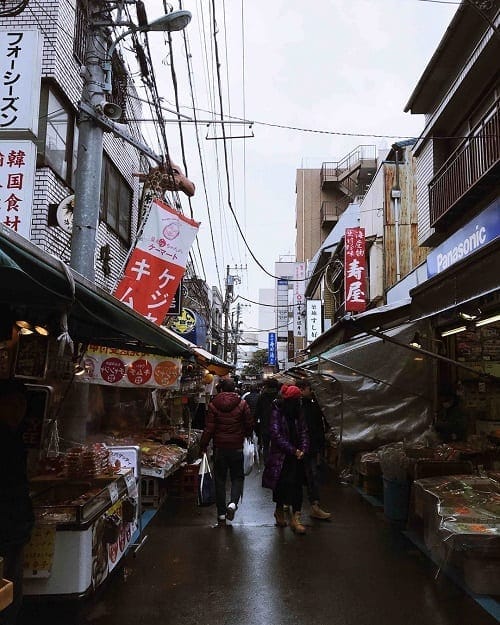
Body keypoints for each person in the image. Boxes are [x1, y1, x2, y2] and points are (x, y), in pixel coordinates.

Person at [0, 381, 34, 625]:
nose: (18, 409)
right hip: (7, 526)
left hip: (17, 526)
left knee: (13, 589)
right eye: (12, 403)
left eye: (22, 403)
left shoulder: (16, 436)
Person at [200, 378, 254, 526]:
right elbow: (249, 423)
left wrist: (203, 445)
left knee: (220, 480)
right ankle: (233, 504)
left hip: (220, 449)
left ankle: (221, 514)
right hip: (236, 447)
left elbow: (209, 428)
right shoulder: (242, 404)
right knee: (237, 477)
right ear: (234, 389)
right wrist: (246, 435)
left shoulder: (213, 405)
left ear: (221, 389)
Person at [262, 384, 309, 534]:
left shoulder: (299, 411)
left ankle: (296, 519)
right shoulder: (277, 411)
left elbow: (304, 430)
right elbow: (276, 435)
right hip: (281, 456)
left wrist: (303, 449)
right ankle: (279, 511)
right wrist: (293, 450)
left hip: (297, 455)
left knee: (297, 486)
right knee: (281, 485)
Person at [295, 379, 331, 520]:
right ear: (303, 389)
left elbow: (318, 427)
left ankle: (314, 507)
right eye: (310, 389)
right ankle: (292, 510)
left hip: (306, 448)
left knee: (311, 477)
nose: (312, 391)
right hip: (298, 448)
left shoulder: (312, 405)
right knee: (302, 477)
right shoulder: (295, 406)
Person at [255, 378, 280, 462]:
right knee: (276, 445)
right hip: (278, 425)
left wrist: (255, 424)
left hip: (265, 425)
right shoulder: (279, 396)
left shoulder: (262, 396)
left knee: (266, 446)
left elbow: (257, 411)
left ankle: (267, 462)